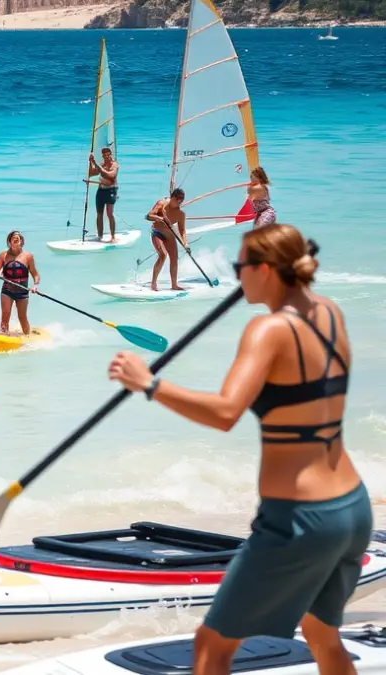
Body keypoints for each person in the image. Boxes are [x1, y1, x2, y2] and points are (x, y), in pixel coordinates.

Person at [108, 223, 371, 675]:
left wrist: (149, 384)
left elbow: (226, 412)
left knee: (212, 648)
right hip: (351, 509)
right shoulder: (328, 312)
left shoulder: (269, 330)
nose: (237, 276)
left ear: (266, 271)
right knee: (321, 633)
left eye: (240, 266)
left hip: (300, 518)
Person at [0, 231, 40, 336]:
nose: (16, 239)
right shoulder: (3, 255)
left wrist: (35, 286)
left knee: (22, 317)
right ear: (9, 241)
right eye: (13, 238)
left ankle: (27, 336)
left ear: (21, 241)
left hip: (22, 291)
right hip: (7, 290)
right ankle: (3, 336)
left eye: (18, 237)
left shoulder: (28, 256)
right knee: (5, 315)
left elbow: (35, 274)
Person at [147, 188, 188, 292]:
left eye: (181, 202)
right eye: (177, 201)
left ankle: (174, 285)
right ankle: (153, 283)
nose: (179, 204)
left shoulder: (180, 214)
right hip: (157, 232)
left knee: (174, 258)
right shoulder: (161, 204)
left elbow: (182, 230)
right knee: (163, 255)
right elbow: (149, 216)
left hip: (169, 235)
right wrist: (160, 218)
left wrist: (185, 244)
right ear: (172, 198)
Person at [88, 147, 120, 242]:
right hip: (101, 190)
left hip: (111, 191)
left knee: (110, 214)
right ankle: (100, 236)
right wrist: (91, 162)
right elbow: (91, 173)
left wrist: (96, 164)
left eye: (108, 154)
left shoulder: (115, 165)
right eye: (104, 155)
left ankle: (113, 236)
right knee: (99, 214)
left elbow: (110, 176)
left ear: (111, 154)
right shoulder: (102, 164)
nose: (107, 157)